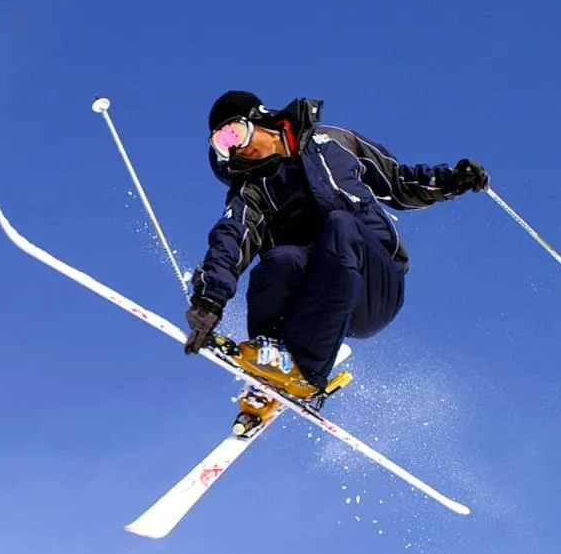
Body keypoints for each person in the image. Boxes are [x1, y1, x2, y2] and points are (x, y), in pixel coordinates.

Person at [183, 90, 489, 400]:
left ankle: (306, 371)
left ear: (260, 119)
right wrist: (210, 299)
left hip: (374, 283)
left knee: (341, 224)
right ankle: (270, 361)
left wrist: (451, 181)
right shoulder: (252, 188)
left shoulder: (334, 142)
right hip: (316, 300)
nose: (236, 148)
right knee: (281, 259)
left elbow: (397, 183)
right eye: (223, 145)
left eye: (234, 133)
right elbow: (232, 235)